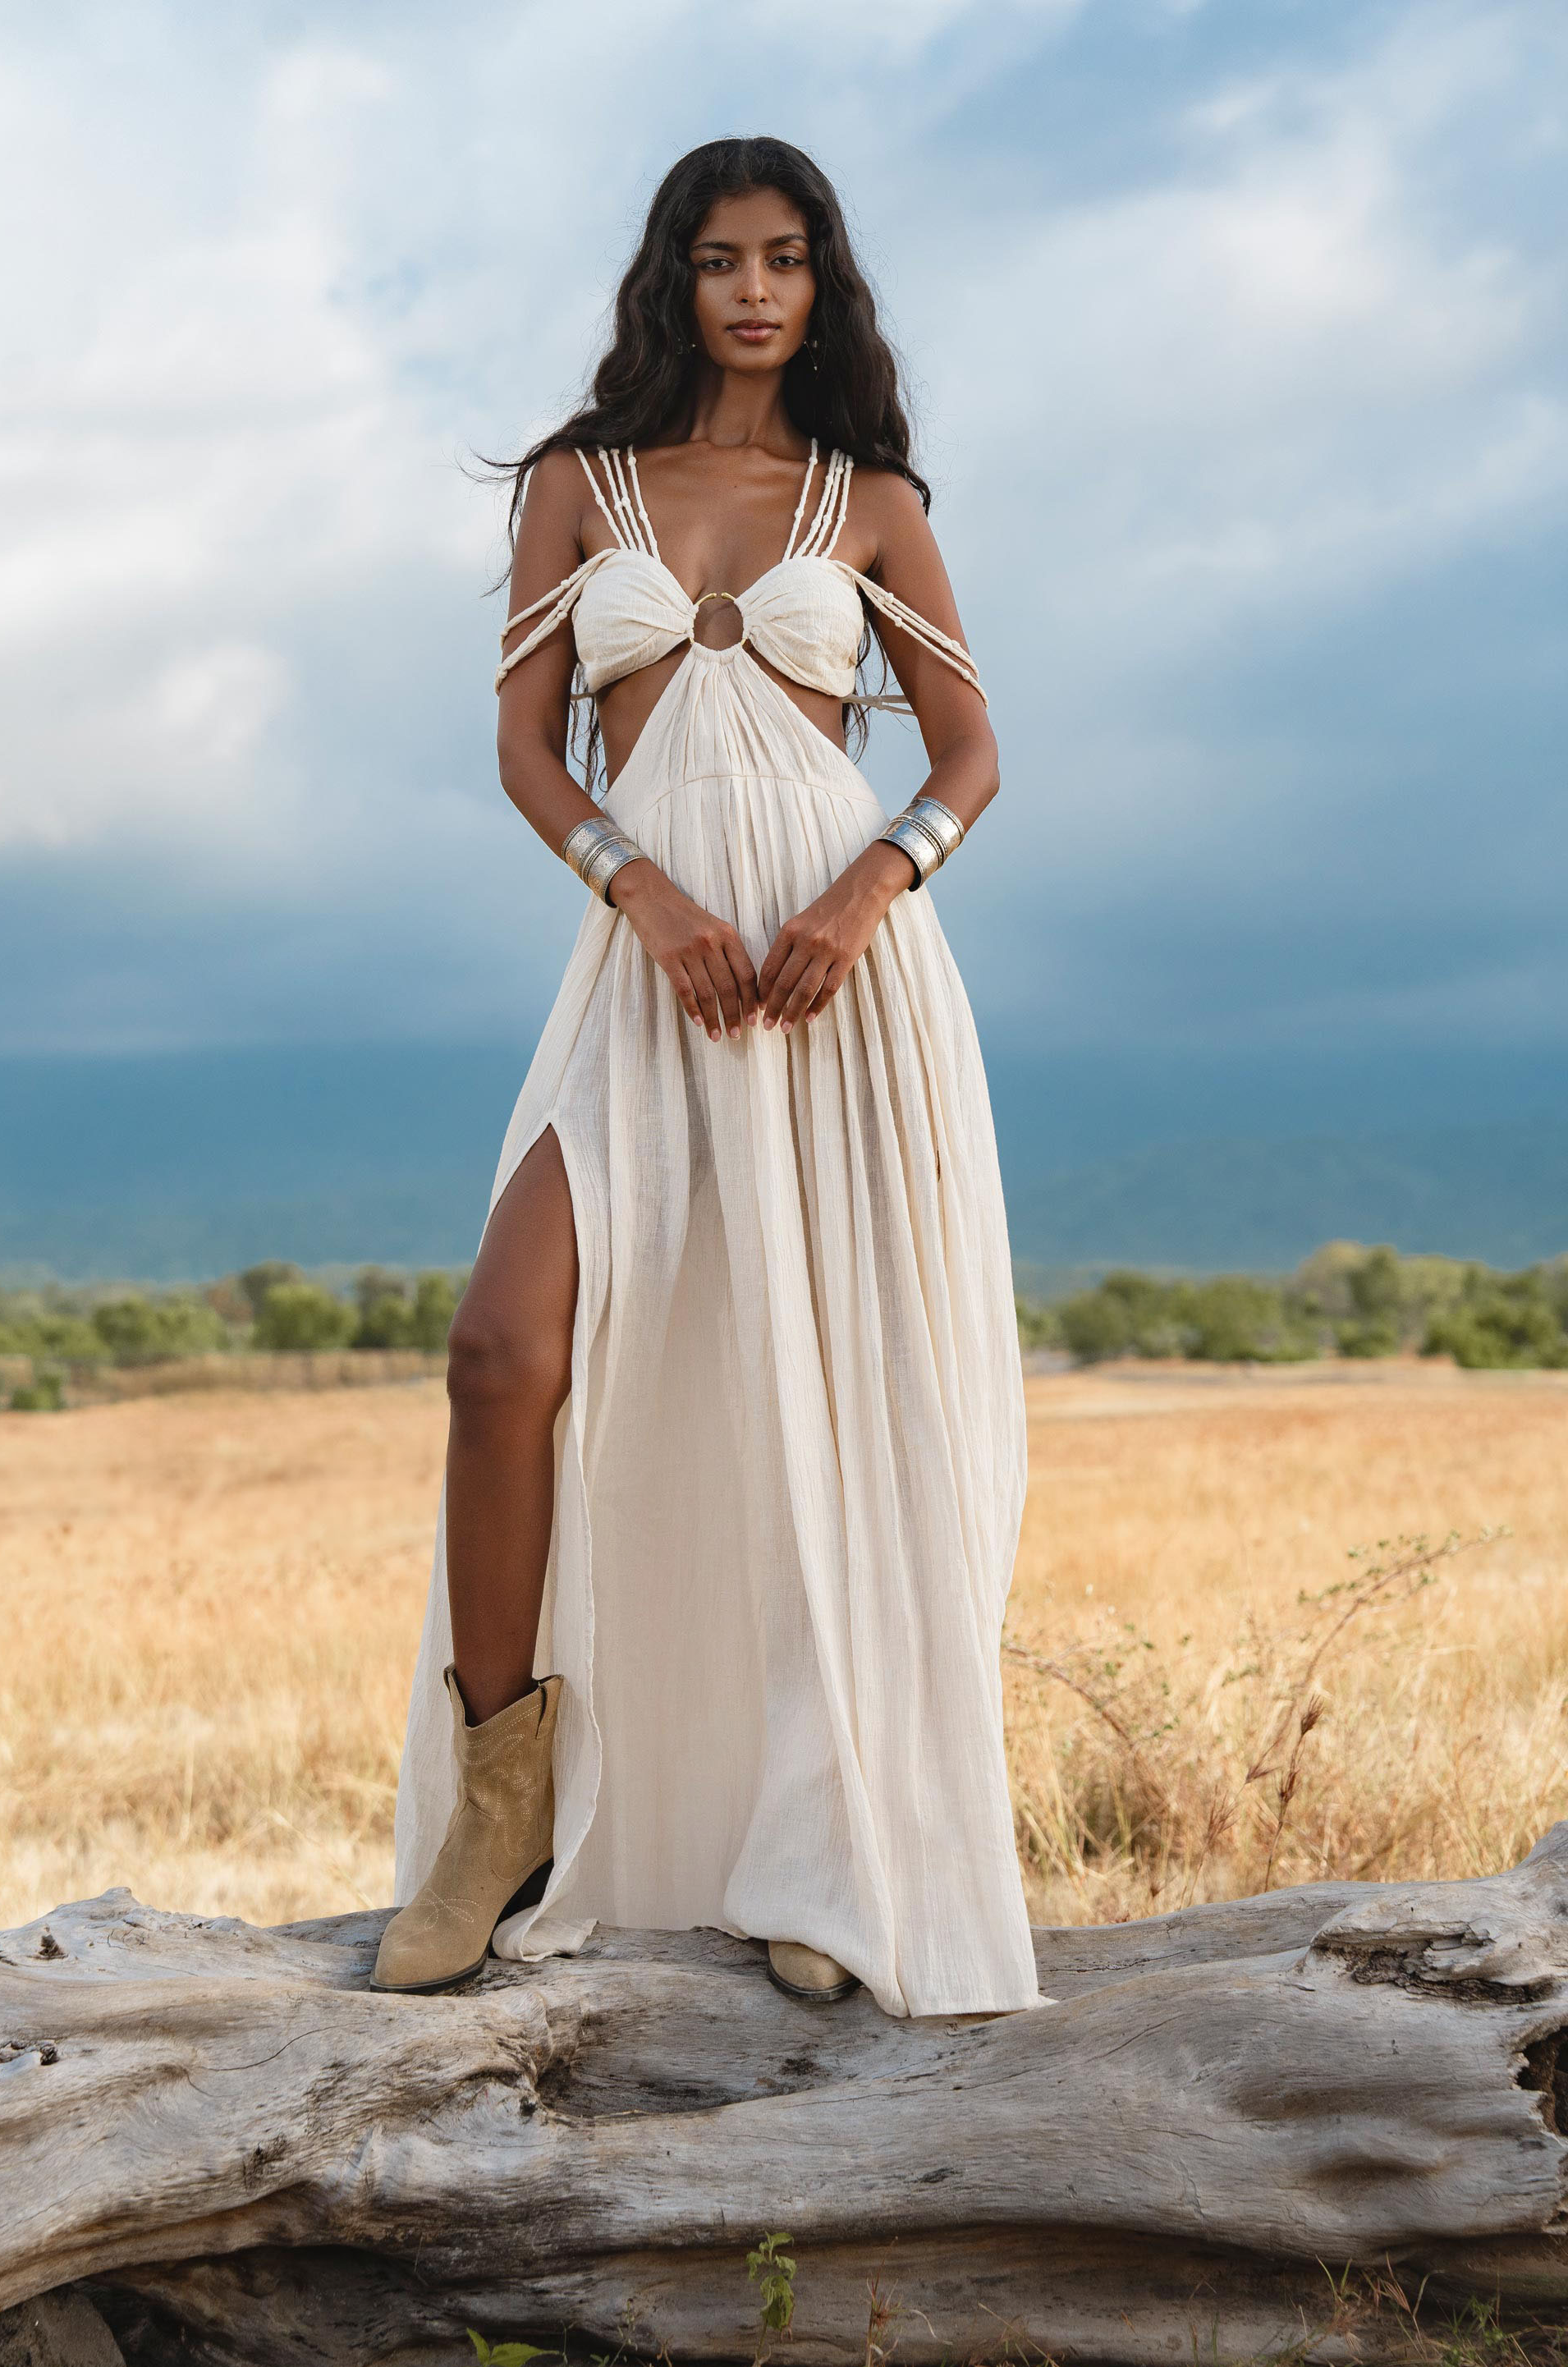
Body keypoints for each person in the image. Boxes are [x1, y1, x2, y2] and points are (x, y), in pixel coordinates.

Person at [373, 136, 1043, 2020]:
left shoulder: (874, 501)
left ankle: (830, 1852)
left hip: (844, 988)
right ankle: (501, 1812)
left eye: (787, 257)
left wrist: (865, 888)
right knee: (503, 1352)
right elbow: (525, 749)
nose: (752, 288)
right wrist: (640, 886)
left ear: (822, 286)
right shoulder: (578, 492)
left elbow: (975, 750)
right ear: (670, 279)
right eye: (719, 257)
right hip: (646, 971)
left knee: (825, 1399)